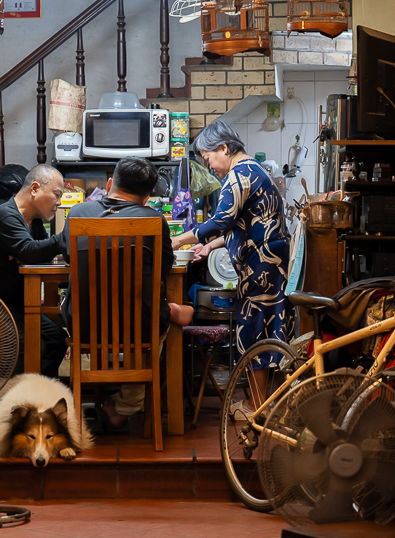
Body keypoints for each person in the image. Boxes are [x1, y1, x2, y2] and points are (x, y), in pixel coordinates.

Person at [61, 157, 193, 431]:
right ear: (147, 198)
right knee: (156, 318)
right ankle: (128, 406)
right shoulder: (154, 220)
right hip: (139, 328)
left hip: (84, 326)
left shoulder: (77, 214)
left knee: (143, 315)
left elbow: (67, 256)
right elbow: (164, 268)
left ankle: (107, 403)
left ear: (110, 184)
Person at [170, 121, 291, 405]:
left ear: (224, 148)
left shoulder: (240, 174)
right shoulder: (253, 170)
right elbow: (244, 224)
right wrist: (210, 244)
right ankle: (263, 404)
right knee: (265, 330)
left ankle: (257, 406)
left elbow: (221, 221)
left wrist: (178, 241)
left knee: (254, 331)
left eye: (208, 157)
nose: (209, 165)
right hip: (266, 262)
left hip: (262, 264)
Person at [0, 164, 68, 377]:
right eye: (57, 194)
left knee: (57, 339)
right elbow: (32, 252)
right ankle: (19, 401)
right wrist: (66, 236)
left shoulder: (34, 221)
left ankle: (40, 395)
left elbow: (37, 253)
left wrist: (30, 252)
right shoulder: (5, 216)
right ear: (35, 189)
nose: (59, 203)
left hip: (15, 303)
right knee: (24, 342)